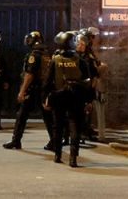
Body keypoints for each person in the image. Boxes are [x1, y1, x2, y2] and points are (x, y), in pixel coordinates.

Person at [43, 31, 91, 168]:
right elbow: (87, 83)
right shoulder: (80, 61)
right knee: (75, 126)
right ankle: (73, 158)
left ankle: (57, 155)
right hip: (76, 97)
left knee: (58, 126)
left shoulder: (55, 60)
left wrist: (45, 98)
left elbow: (47, 82)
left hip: (59, 96)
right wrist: (88, 101)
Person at [3, 31, 54, 150]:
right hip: (44, 89)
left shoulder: (34, 55)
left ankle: (16, 140)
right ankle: (54, 141)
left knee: (22, 115)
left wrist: (22, 91)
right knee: (48, 117)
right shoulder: (47, 54)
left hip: (33, 89)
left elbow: (29, 74)